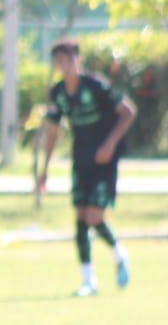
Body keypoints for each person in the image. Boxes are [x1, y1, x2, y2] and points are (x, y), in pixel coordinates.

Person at [35, 39, 137, 297]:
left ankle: (119, 254)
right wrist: (44, 168)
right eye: (59, 61)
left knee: (94, 217)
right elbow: (53, 130)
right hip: (81, 159)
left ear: (77, 60)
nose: (63, 66)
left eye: (67, 60)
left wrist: (110, 144)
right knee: (80, 218)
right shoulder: (58, 93)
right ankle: (88, 280)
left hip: (104, 160)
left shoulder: (95, 85)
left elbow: (128, 111)